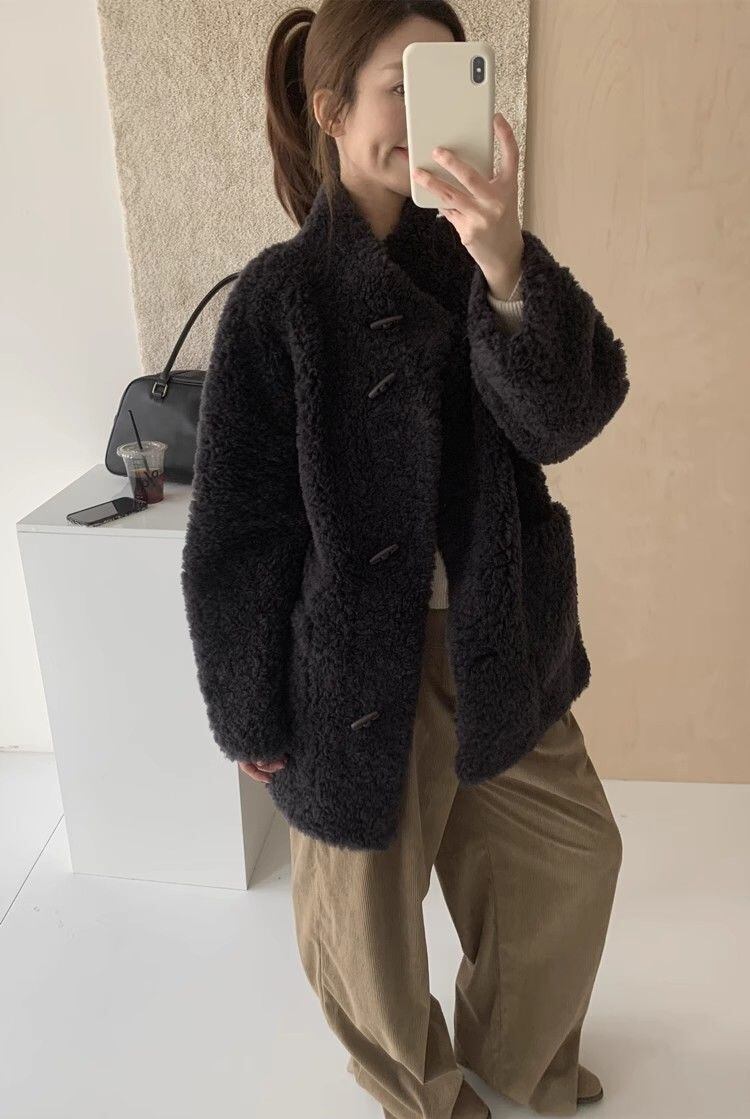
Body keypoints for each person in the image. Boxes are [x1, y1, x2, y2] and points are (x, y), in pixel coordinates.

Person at [181, 2, 630, 1117]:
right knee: (363, 928)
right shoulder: (278, 299)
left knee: (567, 866)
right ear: (332, 111)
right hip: (351, 674)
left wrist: (507, 261)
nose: (427, 115)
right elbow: (239, 530)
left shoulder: (486, 259)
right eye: (402, 86)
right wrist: (249, 704)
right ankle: (419, 1094)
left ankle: (521, 1064)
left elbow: (567, 419)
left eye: (450, 81)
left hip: (499, 639)